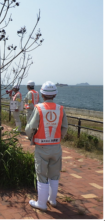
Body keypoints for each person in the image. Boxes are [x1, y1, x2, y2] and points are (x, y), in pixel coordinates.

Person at [25, 81, 68, 211]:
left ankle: (41, 203)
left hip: (42, 147)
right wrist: (58, 138)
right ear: (55, 94)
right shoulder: (61, 109)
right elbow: (65, 127)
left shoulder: (39, 108)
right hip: (56, 146)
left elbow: (30, 127)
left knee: (41, 174)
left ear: (42, 94)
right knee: (54, 174)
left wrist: (31, 137)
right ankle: (52, 200)